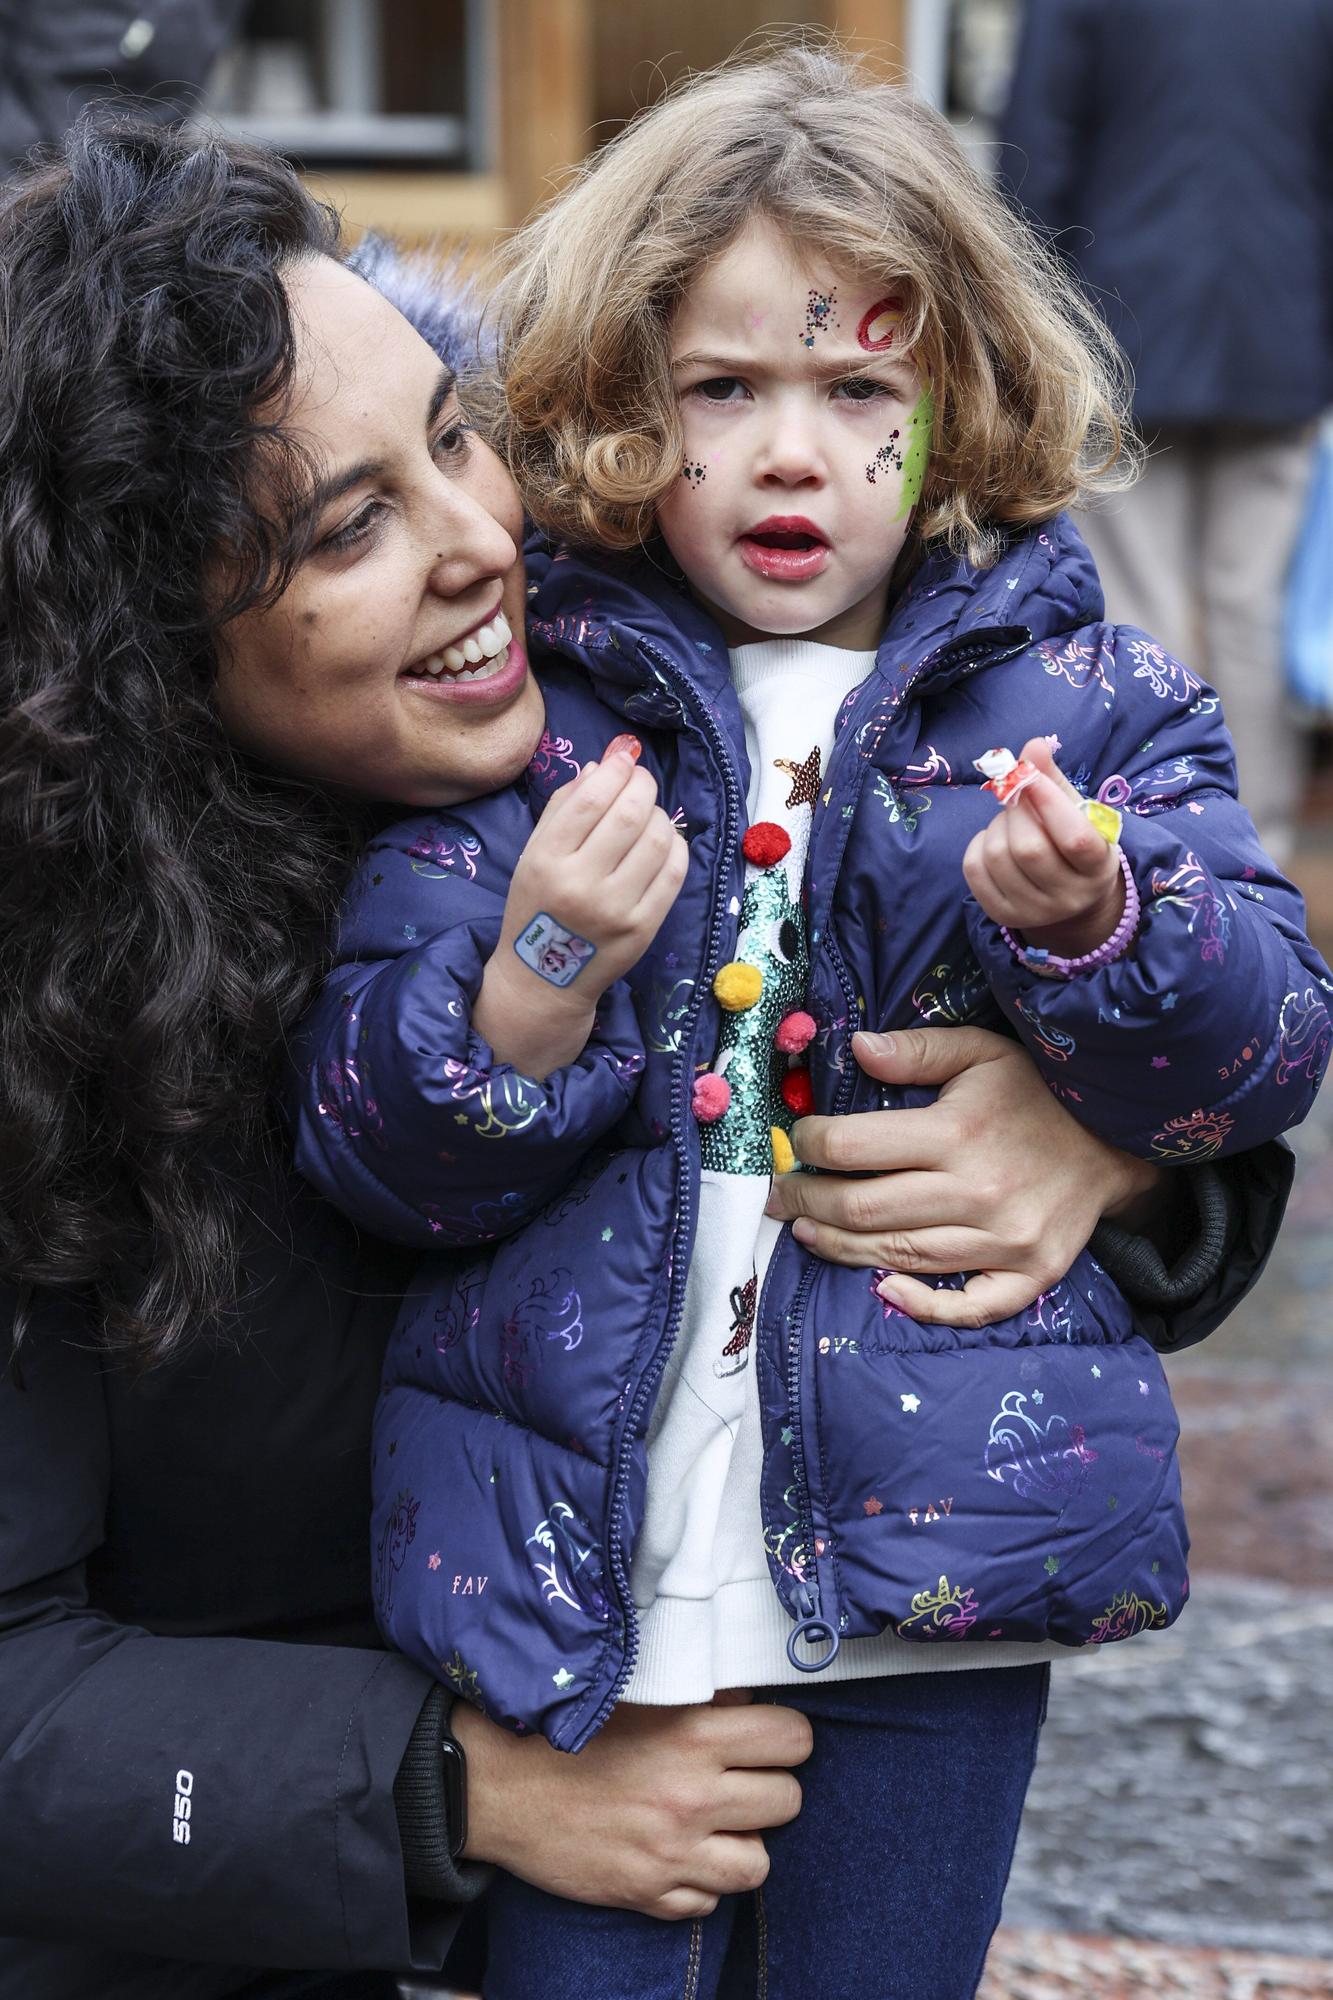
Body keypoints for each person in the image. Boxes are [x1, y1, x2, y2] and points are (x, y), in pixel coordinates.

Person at [0, 115, 1260, 2000]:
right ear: (131, 645)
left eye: (456, 436)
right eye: (346, 525)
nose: (480, 547)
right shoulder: (63, 1004)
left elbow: (1137, 1007)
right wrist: (448, 1795)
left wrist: (1121, 1157)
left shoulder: (601, 729)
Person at [999, 0, 1333, 861]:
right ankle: (1256, 849)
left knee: (1130, 606)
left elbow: (1033, 162)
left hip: (1121, 333)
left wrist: (1024, 337)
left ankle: (1147, 835)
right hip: (1279, 337)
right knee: (1251, 609)